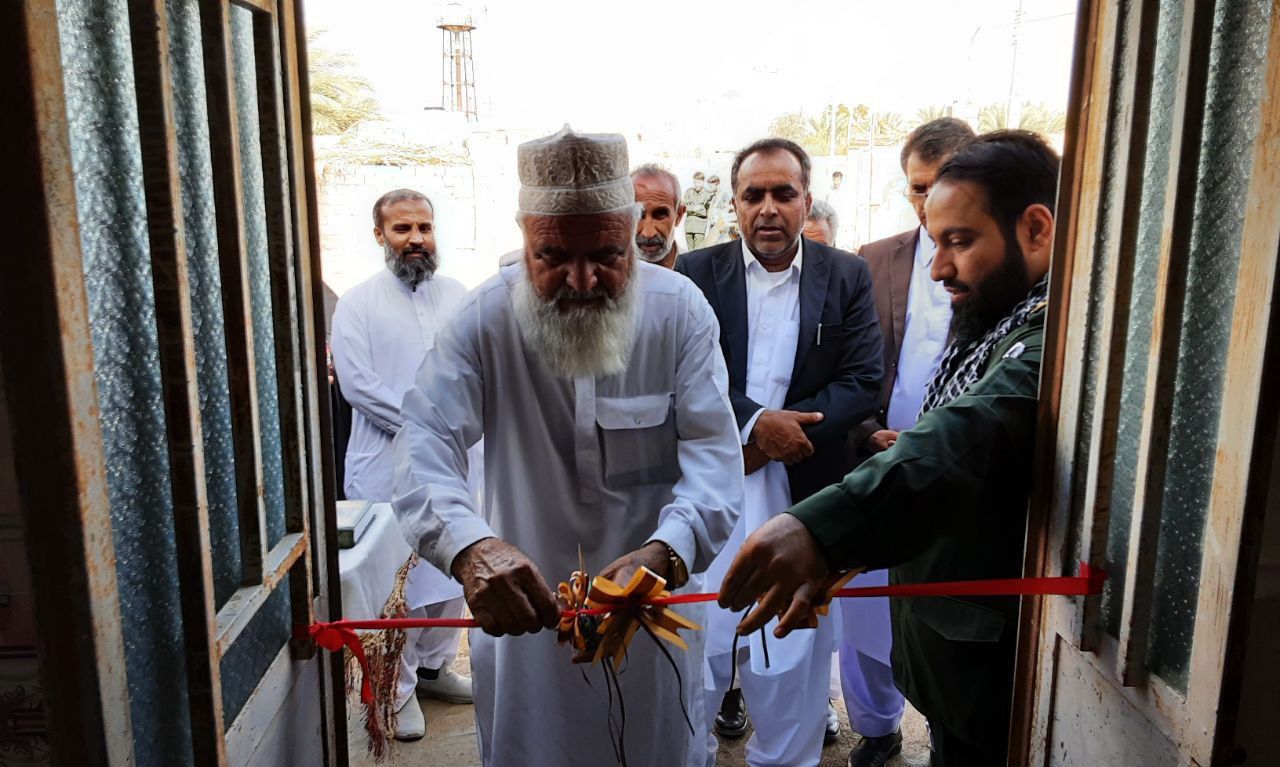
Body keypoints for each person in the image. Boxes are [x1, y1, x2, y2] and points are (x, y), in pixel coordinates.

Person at [391, 126, 743, 767]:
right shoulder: (486, 317)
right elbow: (422, 441)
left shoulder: (680, 312)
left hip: (652, 621)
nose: (581, 280)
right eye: (552, 255)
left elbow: (715, 460)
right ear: (524, 235)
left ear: (632, 232)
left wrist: (668, 551)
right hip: (523, 623)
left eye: (607, 253)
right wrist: (470, 549)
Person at [717, 130, 1060, 767]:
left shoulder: (1052, 343)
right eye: (935, 242)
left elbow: (965, 437)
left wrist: (820, 531)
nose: (939, 268)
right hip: (952, 657)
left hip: (995, 669)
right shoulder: (1005, 318)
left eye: (960, 242)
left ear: (1036, 229)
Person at [676, 137, 883, 767]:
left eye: (783, 194)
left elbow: (862, 380)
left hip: (803, 490)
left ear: (806, 200)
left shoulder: (844, 273)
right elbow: (682, 372)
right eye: (754, 195)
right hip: (712, 482)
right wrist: (753, 423)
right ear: (735, 204)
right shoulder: (695, 274)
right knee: (696, 648)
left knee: (792, 654)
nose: (768, 208)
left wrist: (778, 439)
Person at [840, 116, 974, 767]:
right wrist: (868, 432)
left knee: (947, 609)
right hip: (880, 459)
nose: (929, 200)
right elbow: (852, 367)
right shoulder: (873, 258)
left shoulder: (1004, 261)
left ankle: (949, 726)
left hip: (965, 467)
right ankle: (876, 726)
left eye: (943, 182)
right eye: (918, 187)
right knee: (865, 604)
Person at [329, 189, 475, 741]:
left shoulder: (458, 295)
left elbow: (476, 366)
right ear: (379, 236)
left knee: (454, 562)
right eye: (402, 229)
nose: (416, 239)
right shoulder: (357, 303)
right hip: (386, 463)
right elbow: (359, 385)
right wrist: (426, 426)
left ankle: (435, 668)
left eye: (424, 228)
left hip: (459, 456)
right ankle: (398, 688)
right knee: (400, 578)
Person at [631, 163, 687, 269]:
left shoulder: (697, 272)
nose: (648, 234)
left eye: (660, 215)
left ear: (679, 215)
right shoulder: (606, 274)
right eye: (638, 215)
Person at [682, 171, 714, 251]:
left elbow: (705, 212)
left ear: (703, 182)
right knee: (690, 253)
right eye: (695, 182)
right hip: (689, 227)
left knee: (697, 253)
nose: (696, 185)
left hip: (699, 228)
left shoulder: (707, 195)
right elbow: (684, 208)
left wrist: (690, 209)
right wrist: (695, 208)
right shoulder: (689, 192)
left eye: (698, 182)